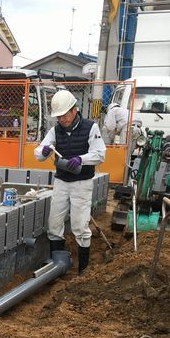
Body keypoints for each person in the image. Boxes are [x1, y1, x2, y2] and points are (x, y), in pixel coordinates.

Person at [35, 90, 106, 274]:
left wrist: (81, 159)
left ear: (75, 110)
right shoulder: (55, 130)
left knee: (80, 226)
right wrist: (43, 152)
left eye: (65, 115)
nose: (62, 119)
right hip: (61, 181)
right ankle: (57, 267)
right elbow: (39, 151)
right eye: (59, 117)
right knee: (54, 224)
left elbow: (100, 154)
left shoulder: (90, 128)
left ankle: (83, 270)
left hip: (82, 183)